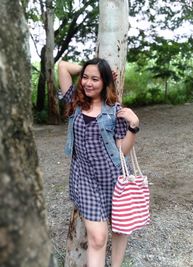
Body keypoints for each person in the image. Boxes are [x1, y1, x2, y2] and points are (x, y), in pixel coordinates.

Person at [58, 58, 140, 267]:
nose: (88, 83)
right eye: (85, 77)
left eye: (95, 79)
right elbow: (63, 66)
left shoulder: (114, 109)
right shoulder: (74, 101)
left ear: (105, 83)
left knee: (121, 227)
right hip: (84, 179)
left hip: (114, 178)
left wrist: (134, 126)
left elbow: (122, 150)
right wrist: (92, 68)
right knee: (98, 237)